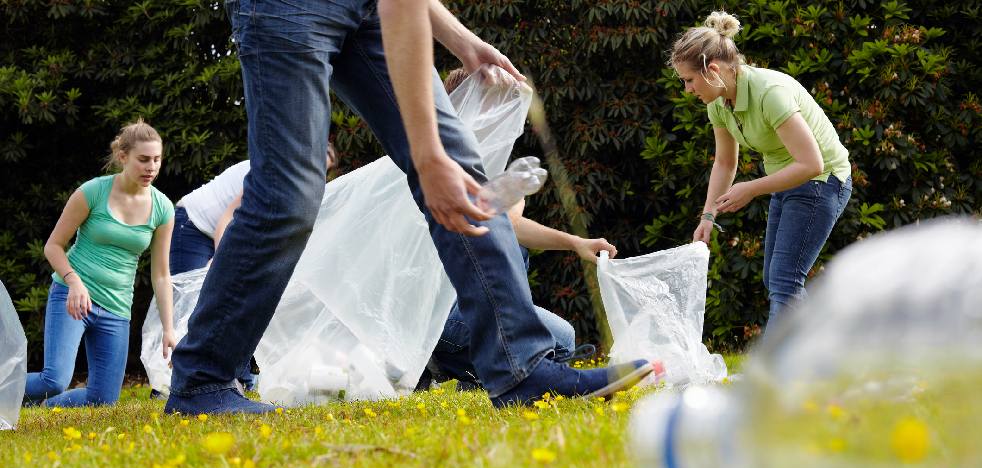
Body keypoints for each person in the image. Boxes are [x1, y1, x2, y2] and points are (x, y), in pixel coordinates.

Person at [164, 0, 652, 414]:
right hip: (285, 9)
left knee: (465, 171)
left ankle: (520, 369)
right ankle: (203, 380)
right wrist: (426, 157)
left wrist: (461, 41)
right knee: (288, 198)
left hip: (372, 8)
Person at [421, 68, 618, 390]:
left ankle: (473, 370)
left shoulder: (468, 157)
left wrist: (575, 242)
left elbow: (512, 226)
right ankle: (443, 360)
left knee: (561, 335)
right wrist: (514, 194)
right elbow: (503, 223)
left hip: (452, 306)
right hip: (436, 315)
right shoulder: (445, 162)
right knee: (560, 341)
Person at [671, 11, 852, 329]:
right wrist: (708, 216)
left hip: (823, 180)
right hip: (787, 181)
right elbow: (725, 163)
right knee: (776, 278)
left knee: (784, 280)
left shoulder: (770, 93)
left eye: (688, 80)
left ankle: (780, 373)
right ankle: (815, 354)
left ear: (712, 70)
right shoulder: (719, 102)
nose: (687, 89)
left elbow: (812, 164)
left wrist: (751, 188)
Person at [24, 119, 176, 407]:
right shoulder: (92, 192)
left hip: (117, 308)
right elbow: (53, 246)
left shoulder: (162, 208)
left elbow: (161, 275)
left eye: (157, 159)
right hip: (72, 297)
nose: (151, 167)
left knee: (103, 400)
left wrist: (169, 329)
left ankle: (44, 406)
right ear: (123, 157)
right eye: (143, 159)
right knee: (53, 380)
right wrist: (73, 281)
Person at [164, 144, 337, 393]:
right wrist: (222, 259)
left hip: (221, 230)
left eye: (326, 169)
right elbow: (229, 217)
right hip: (193, 224)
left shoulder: (298, 184)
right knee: (191, 305)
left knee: (237, 302)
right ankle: (176, 380)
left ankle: (238, 378)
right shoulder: (271, 168)